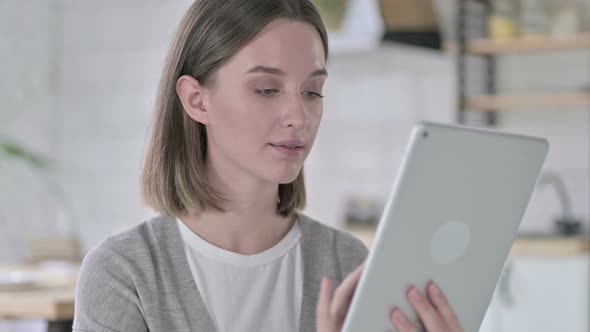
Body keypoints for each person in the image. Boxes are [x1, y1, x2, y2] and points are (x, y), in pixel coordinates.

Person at [73, 0, 463, 331]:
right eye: (266, 89)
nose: (299, 115)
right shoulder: (122, 275)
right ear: (196, 100)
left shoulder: (349, 265)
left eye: (312, 91)